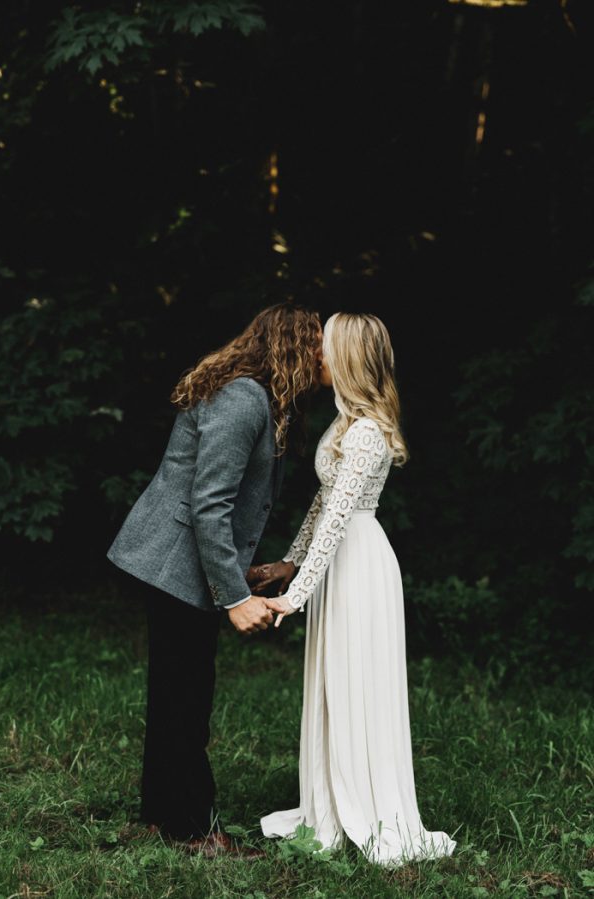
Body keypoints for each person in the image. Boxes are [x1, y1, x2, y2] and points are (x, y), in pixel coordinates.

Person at [106, 304, 322, 858]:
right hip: (176, 561)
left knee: (175, 692)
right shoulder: (244, 397)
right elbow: (208, 504)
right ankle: (197, 830)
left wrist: (236, 570)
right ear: (294, 349)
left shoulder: (257, 396)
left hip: (184, 561)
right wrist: (236, 598)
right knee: (186, 698)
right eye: (319, 345)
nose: (328, 356)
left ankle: (161, 818)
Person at [251, 312, 457, 867]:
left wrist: (293, 600)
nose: (316, 355)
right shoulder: (343, 426)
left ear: (346, 358)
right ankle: (327, 803)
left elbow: (341, 518)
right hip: (334, 560)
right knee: (332, 680)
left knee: (355, 677)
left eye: (325, 347)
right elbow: (322, 504)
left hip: (359, 564)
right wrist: (289, 564)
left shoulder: (365, 432)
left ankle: (366, 805)